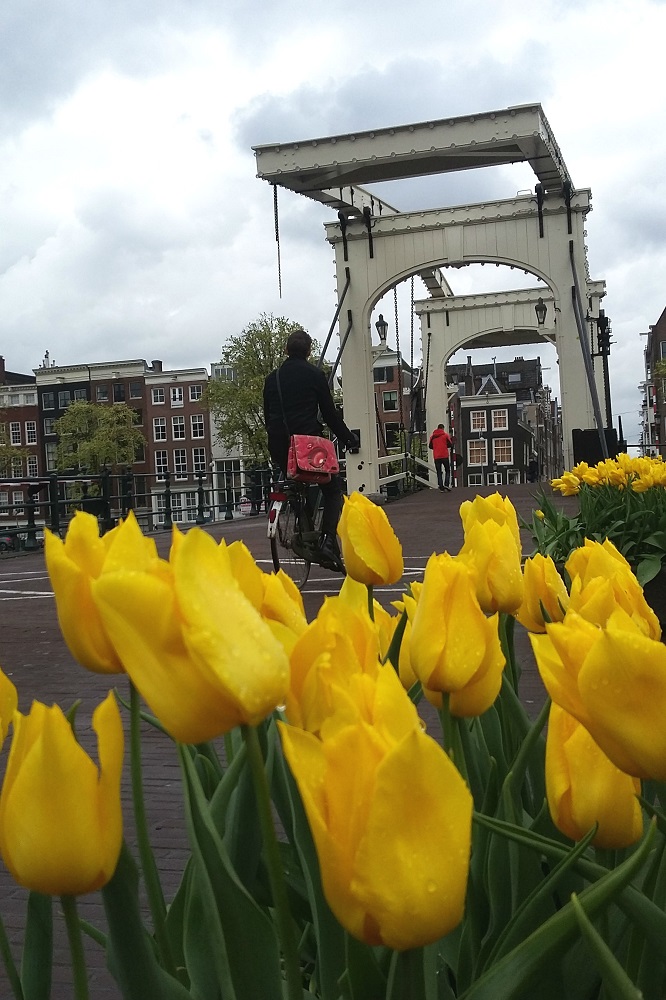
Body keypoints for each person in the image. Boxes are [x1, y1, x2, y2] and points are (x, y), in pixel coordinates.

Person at [263, 330, 359, 571]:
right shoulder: (316, 376)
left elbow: (268, 418)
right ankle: (327, 541)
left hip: (279, 446)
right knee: (332, 488)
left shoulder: (271, 379)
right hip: (307, 448)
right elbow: (329, 415)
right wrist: (349, 439)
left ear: (286, 350)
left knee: (294, 481)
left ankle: (302, 527)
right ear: (308, 352)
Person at [429, 423, 454, 491]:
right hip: (444, 455)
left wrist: (436, 447)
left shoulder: (432, 437)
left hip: (436, 456)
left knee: (439, 472)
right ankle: (446, 484)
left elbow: (430, 446)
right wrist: (445, 446)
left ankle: (441, 487)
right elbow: (450, 444)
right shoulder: (445, 435)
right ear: (442, 428)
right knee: (447, 470)